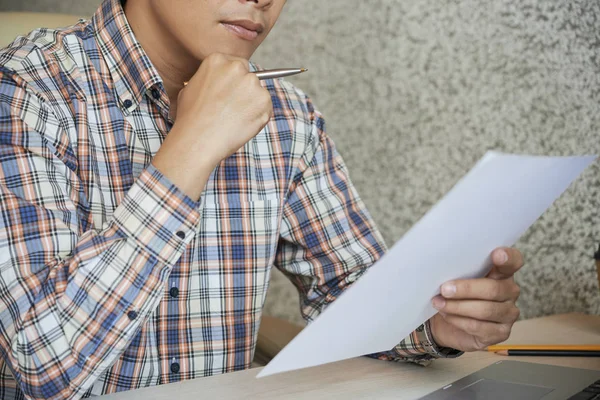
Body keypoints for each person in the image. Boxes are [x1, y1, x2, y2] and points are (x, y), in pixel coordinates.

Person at [0, 0, 523, 398]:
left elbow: (353, 297)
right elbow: (44, 365)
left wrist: (435, 322)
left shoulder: (288, 118)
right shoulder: (24, 92)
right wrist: (191, 147)